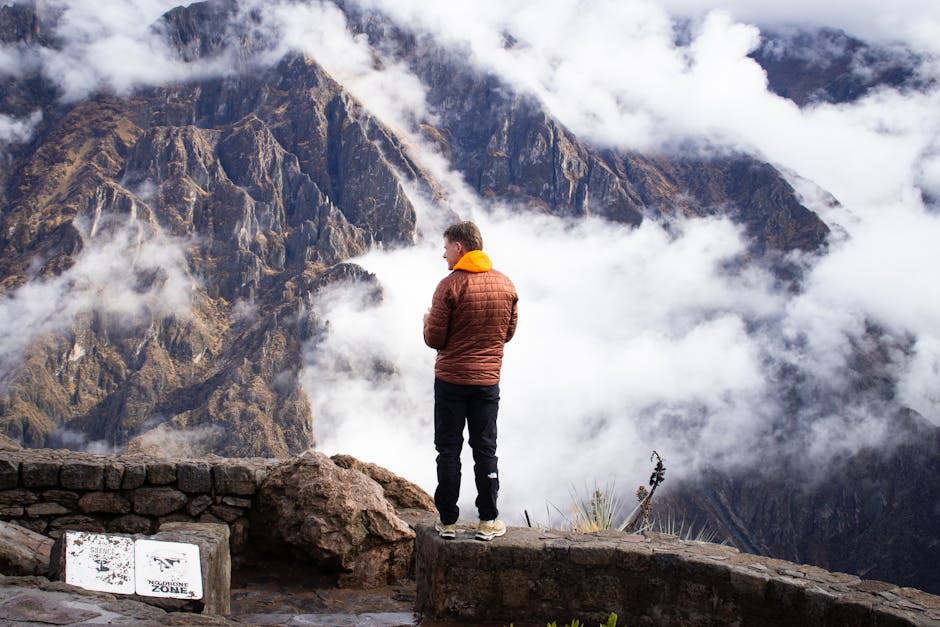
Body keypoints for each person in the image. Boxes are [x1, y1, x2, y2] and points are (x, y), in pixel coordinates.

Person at [423, 221, 518, 541]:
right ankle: (488, 520)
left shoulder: (448, 286)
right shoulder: (506, 285)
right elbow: (507, 333)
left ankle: (447, 522)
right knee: (485, 448)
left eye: (446, 248)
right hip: (486, 382)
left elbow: (435, 339)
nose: (444, 255)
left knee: (448, 449)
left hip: (451, 381)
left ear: (459, 247)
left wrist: (427, 322)